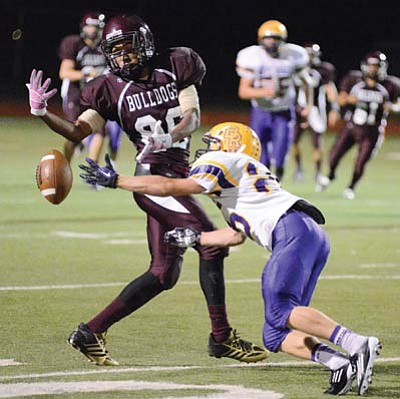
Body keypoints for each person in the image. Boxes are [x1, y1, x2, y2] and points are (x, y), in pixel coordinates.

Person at [26, 14, 268, 366]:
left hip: (175, 169)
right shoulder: (108, 87)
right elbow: (78, 131)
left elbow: (193, 117)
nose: (122, 58)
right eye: (116, 52)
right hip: (153, 177)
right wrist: (42, 113)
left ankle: (90, 331)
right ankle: (221, 338)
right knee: (212, 245)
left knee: (163, 273)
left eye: (128, 49)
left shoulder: (175, 65)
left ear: (146, 44)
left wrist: (172, 136)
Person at [80, 121, 381, 396]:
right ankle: (340, 363)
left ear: (229, 145)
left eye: (214, 142)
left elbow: (173, 187)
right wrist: (196, 239)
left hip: (291, 232)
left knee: (281, 311)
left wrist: (119, 181)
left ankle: (356, 343)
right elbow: (234, 236)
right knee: (274, 335)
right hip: (304, 234)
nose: (208, 148)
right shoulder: (241, 180)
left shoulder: (222, 160)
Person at [316, 51, 400, 199]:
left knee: (361, 162)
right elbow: (340, 100)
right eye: (371, 66)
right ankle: (331, 175)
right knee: (334, 156)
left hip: (373, 130)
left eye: (377, 66)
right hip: (352, 127)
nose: (374, 69)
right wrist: (349, 99)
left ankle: (351, 187)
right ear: (365, 67)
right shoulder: (354, 80)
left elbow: (397, 105)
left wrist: (390, 107)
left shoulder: (391, 84)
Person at [235, 19, 310, 181]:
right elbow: (243, 91)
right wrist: (264, 91)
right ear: (260, 40)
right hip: (261, 111)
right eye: (268, 39)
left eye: (276, 39)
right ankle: (266, 185)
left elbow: (306, 83)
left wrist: (307, 106)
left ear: (283, 40)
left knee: (280, 154)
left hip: (284, 111)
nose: (272, 43)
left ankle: (279, 177)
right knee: (261, 156)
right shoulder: (253, 58)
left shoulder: (292, 57)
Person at [58, 11, 123, 163]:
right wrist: (87, 75)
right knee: (73, 134)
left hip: (96, 96)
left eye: (95, 27)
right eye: (89, 27)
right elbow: (64, 72)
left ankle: (93, 172)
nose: (92, 31)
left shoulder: (107, 48)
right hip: (75, 93)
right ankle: (64, 167)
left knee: (100, 131)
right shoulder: (74, 44)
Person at [292, 43, 340, 189]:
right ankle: (299, 167)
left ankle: (318, 172)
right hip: (297, 108)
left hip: (315, 110)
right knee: (293, 141)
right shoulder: (294, 68)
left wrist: (335, 109)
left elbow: (330, 89)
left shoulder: (323, 70)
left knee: (317, 143)